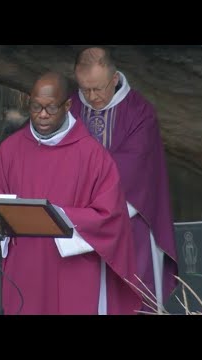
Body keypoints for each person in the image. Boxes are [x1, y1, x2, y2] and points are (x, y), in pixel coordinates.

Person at [0, 71, 142, 315]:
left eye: (51, 108)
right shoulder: (10, 149)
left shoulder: (93, 156)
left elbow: (111, 218)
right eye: (35, 107)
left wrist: (56, 216)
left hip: (70, 273)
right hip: (20, 272)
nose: (42, 115)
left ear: (68, 106)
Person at [70, 46, 177, 312]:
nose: (92, 97)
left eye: (99, 88)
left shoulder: (141, 112)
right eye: (85, 89)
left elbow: (136, 167)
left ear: (115, 78)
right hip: (76, 226)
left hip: (130, 221)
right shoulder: (69, 108)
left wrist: (90, 195)